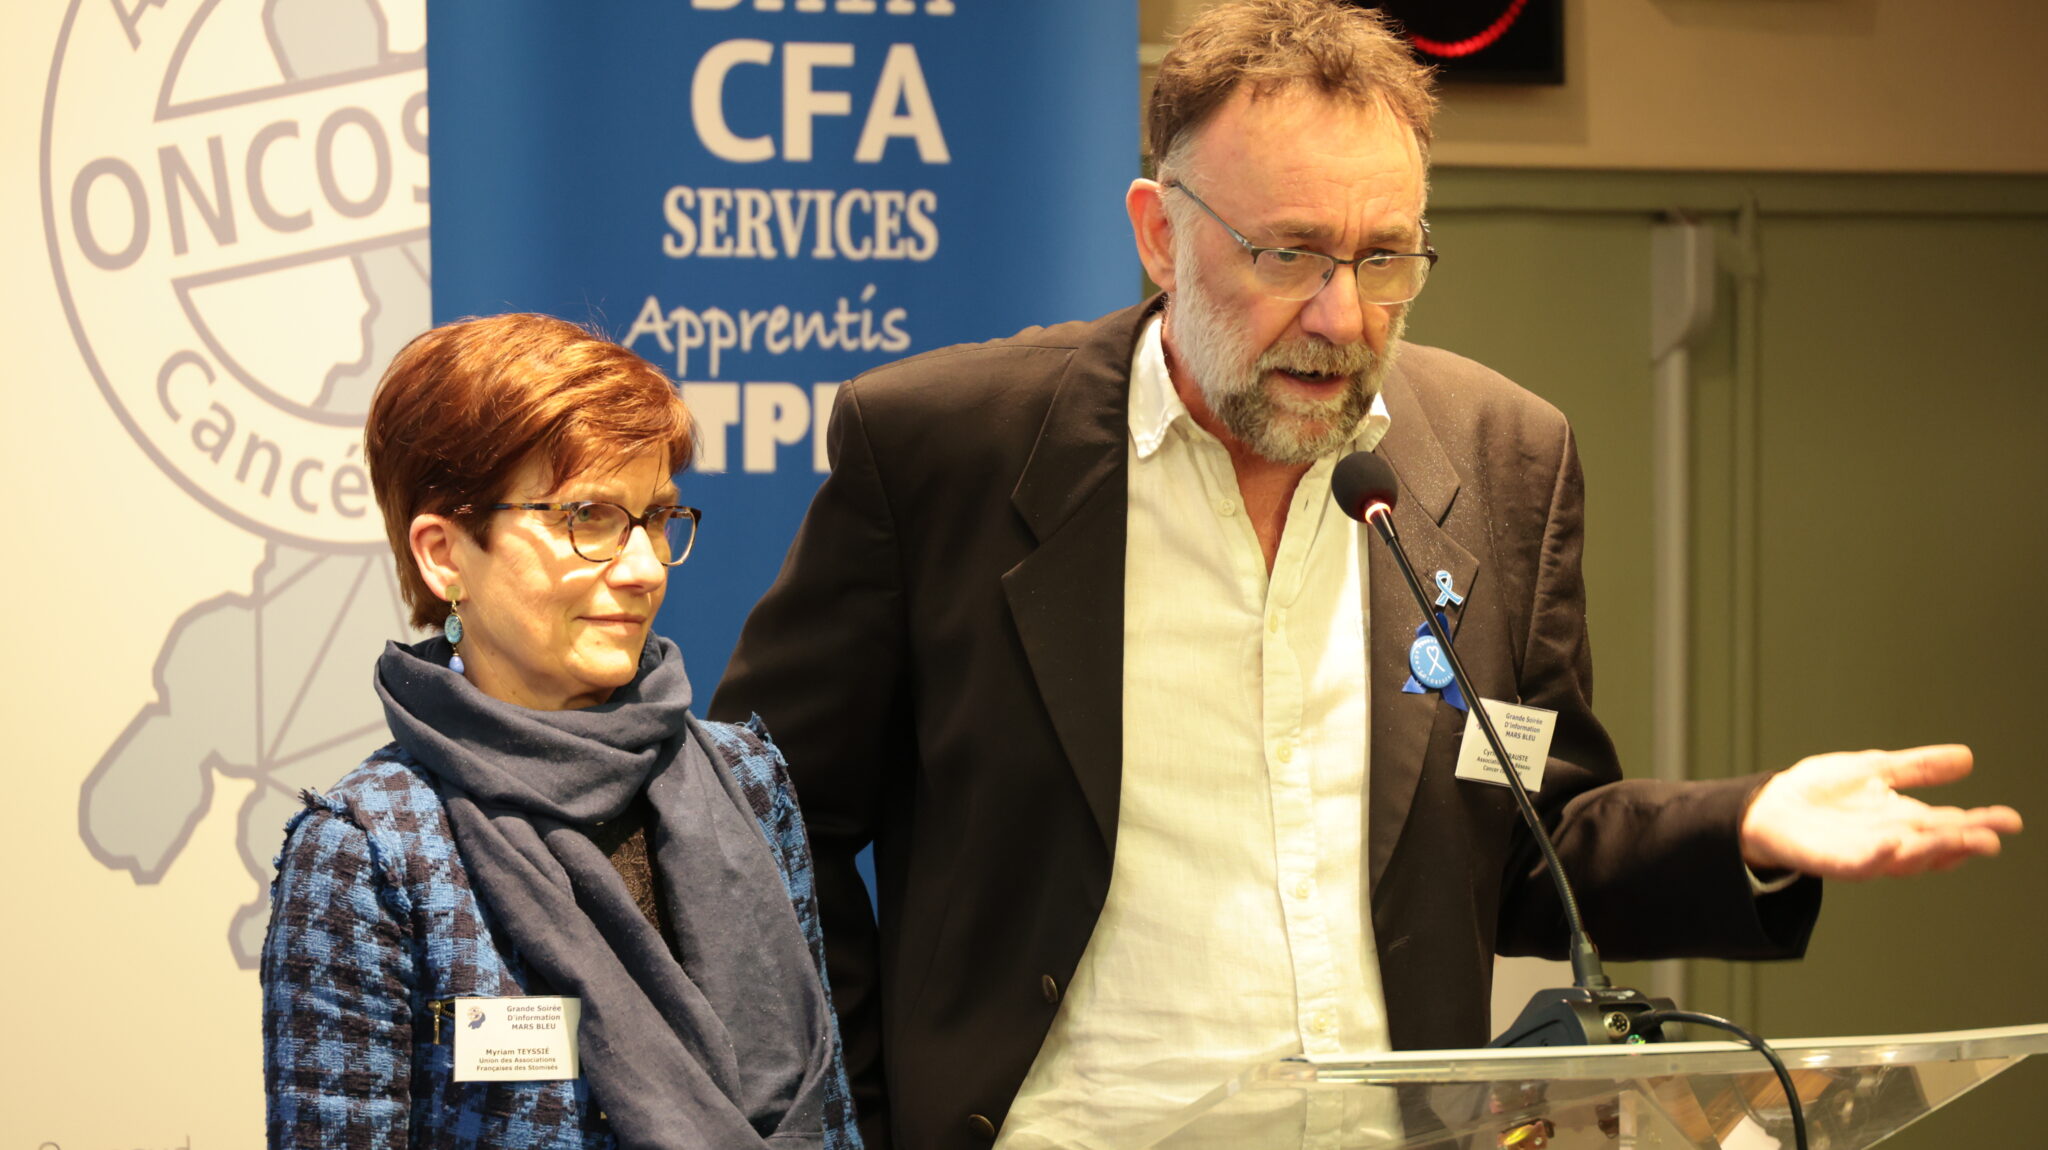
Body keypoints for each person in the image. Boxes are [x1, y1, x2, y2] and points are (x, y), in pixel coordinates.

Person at [709, 2, 2023, 1147]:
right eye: (1287, 253)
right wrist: (854, 1114)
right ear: (1160, 234)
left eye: (1385, 255)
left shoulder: (1502, 457)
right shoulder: (943, 449)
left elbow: (1530, 838)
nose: (1342, 317)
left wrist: (1744, 826)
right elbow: (763, 821)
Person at [261, 313, 862, 1149]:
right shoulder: (369, 850)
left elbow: (828, 1118)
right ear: (444, 555)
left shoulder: (748, 778)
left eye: (656, 517)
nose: (645, 568)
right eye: (590, 518)